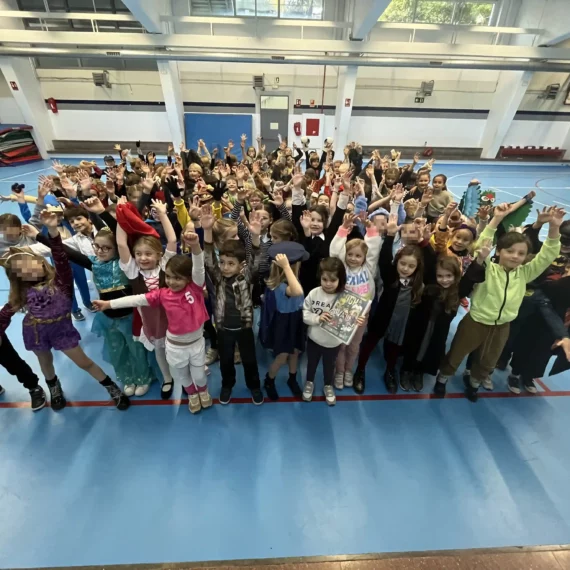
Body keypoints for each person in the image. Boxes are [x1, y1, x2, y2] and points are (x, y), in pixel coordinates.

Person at [0, 211, 130, 410]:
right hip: (35, 332)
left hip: (62, 331)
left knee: (84, 362)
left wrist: (52, 230)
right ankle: (54, 387)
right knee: (45, 362)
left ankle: (111, 387)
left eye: (29, 264)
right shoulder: (23, 292)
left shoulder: (61, 282)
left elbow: (60, 255)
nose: (27, 270)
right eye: (20, 270)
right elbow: (5, 314)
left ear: (41, 262)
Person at [434, 204, 564, 402]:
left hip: (502, 325)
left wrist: (554, 227)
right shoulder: (489, 268)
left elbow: (547, 256)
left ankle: (474, 384)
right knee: (457, 353)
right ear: (500, 251)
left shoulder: (525, 273)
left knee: (488, 360)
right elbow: (480, 247)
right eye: (510, 251)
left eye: (521, 254)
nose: (515, 256)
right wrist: (496, 219)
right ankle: (442, 379)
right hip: (476, 321)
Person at [93, 233, 211, 414]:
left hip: (196, 344)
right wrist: (109, 304)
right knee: (183, 376)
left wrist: (195, 246)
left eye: (178, 278)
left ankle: (202, 391)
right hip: (176, 346)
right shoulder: (162, 294)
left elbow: (199, 267)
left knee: (200, 375)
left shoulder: (195, 289)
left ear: (188, 278)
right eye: (169, 277)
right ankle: (193, 395)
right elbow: (136, 299)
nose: (171, 282)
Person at [353, 214, 425, 394]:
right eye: (402, 264)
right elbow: (384, 258)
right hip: (382, 317)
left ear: (417, 268)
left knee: (394, 348)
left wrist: (425, 241)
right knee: (369, 344)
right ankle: (360, 370)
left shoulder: (417, 284)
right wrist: (391, 235)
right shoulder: (391, 276)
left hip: (400, 324)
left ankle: (390, 371)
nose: (405, 269)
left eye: (411, 266)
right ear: (397, 262)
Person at [201, 204, 264, 405]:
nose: (225, 268)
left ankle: (254, 386)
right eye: (223, 263)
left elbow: (256, 260)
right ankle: (227, 385)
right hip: (223, 329)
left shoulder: (247, 278)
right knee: (226, 361)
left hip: (244, 328)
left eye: (230, 264)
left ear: (241, 265)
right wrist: (207, 230)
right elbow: (209, 258)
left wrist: (255, 236)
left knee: (249, 360)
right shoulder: (218, 278)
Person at [114, 198, 177, 399]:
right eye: (138, 254)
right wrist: (121, 214)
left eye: (148, 254)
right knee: (159, 350)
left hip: (172, 317)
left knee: (176, 348)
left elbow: (172, 240)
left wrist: (163, 214)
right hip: (150, 321)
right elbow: (121, 243)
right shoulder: (134, 272)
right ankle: (167, 378)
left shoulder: (165, 266)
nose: (142, 258)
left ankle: (183, 375)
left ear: (159, 254)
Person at [400, 251, 488, 392]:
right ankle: (406, 369)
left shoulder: (457, 291)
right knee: (413, 347)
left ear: (455, 276)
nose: (444, 280)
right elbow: (428, 258)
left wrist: (480, 259)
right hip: (419, 326)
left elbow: (469, 278)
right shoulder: (429, 287)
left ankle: (419, 372)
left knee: (429, 351)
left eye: (448, 276)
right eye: (440, 276)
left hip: (438, 331)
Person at [329, 212, 381, 389]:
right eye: (350, 254)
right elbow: (335, 251)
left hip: (361, 315)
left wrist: (370, 229)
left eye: (358, 256)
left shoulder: (368, 268)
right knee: (341, 346)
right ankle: (339, 372)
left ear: (364, 258)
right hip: (342, 313)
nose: (353, 258)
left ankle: (348, 370)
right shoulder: (341, 267)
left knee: (354, 346)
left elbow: (373, 249)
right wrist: (343, 229)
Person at [303, 257, 360, 405]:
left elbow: (348, 322)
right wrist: (317, 318)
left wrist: (355, 321)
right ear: (320, 277)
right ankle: (309, 382)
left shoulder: (345, 298)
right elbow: (305, 314)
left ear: (340, 280)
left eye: (333, 280)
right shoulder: (314, 294)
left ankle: (328, 385)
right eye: (325, 279)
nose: (328, 283)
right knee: (311, 364)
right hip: (314, 339)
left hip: (333, 343)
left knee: (329, 366)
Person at [259, 242, 308, 401]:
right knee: (282, 356)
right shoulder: (282, 286)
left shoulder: (292, 281)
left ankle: (292, 378)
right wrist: (287, 267)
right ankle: (269, 379)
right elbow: (297, 292)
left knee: (295, 352)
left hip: (295, 319)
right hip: (284, 323)